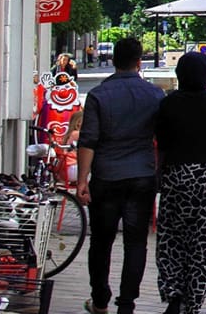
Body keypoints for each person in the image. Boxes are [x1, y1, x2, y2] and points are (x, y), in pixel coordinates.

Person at [76, 38, 163, 314]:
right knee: (136, 242)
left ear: (113, 60)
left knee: (101, 241)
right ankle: (127, 304)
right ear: (140, 61)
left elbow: (88, 140)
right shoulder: (154, 95)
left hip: (107, 176)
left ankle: (100, 299)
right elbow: (162, 138)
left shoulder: (99, 95)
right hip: (141, 176)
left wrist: (81, 181)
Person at [153, 53, 206, 314]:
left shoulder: (169, 104)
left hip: (176, 174)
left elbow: (162, 143)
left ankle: (173, 293)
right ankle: (193, 301)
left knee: (172, 237)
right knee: (202, 243)